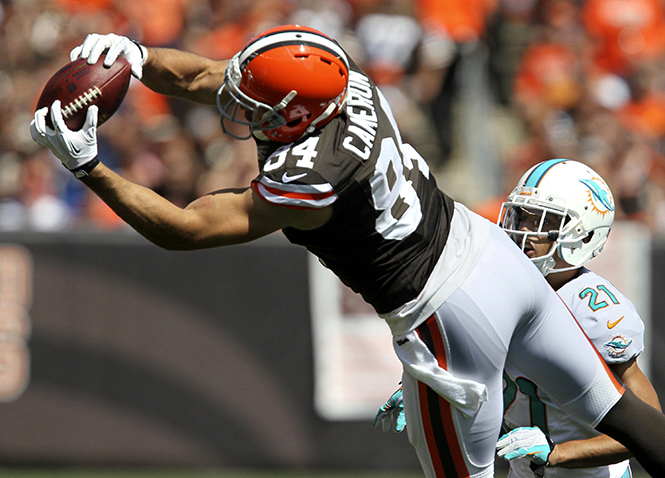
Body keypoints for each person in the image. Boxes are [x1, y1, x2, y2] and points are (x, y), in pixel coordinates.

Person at [29, 26, 665, 478]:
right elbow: (205, 78)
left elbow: (187, 228)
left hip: (448, 311)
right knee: (622, 416)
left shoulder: (314, 176)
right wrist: (136, 57)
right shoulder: (345, 81)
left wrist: (89, 170)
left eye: (260, 111)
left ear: (296, 116)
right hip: (492, 254)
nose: (242, 113)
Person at [496, 158, 661, 477]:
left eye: (541, 222)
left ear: (582, 235)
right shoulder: (499, 285)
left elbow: (650, 427)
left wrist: (559, 453)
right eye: (522, 216)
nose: (524, 232)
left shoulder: (593, 309)